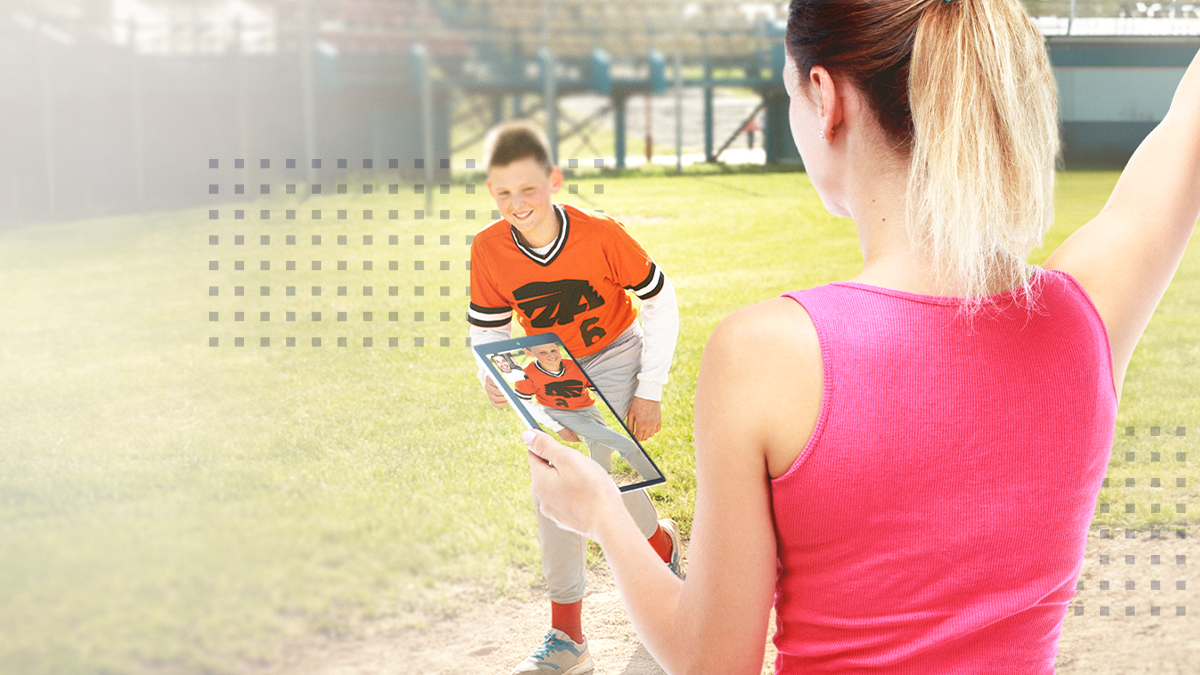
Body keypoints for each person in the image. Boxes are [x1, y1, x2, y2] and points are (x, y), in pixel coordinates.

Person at [523, 0, 1200, 673]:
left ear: (824, 98)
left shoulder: (762, 355)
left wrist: (604, 513)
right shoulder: (1085, 320)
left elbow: (712, 662)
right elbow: (1184, 134)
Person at [468, 121, 683, 674]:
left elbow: (660, 300)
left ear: (554, 180)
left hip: (614, 353)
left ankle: (660, 556)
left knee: (604, 473)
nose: (516, 204)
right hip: (549, 365)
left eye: (528, 189)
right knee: (553, 478)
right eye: (503, 193)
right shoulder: (489, 249)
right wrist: (488, 374)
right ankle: (569, 638)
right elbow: (487, 331)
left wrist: (650, 388)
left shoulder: (600, 233)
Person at [514, 343, 661, 483]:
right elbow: (524, 402)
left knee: (601, 445)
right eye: (542, 352)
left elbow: (596, 389)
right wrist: (558, 427)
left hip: (587, 408)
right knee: (625, 444)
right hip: (560, 412)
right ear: (529, 353)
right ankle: (653, 477)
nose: (551, 355)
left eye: (553, 350)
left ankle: (601, 481)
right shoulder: (527, 375)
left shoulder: (575, 366)